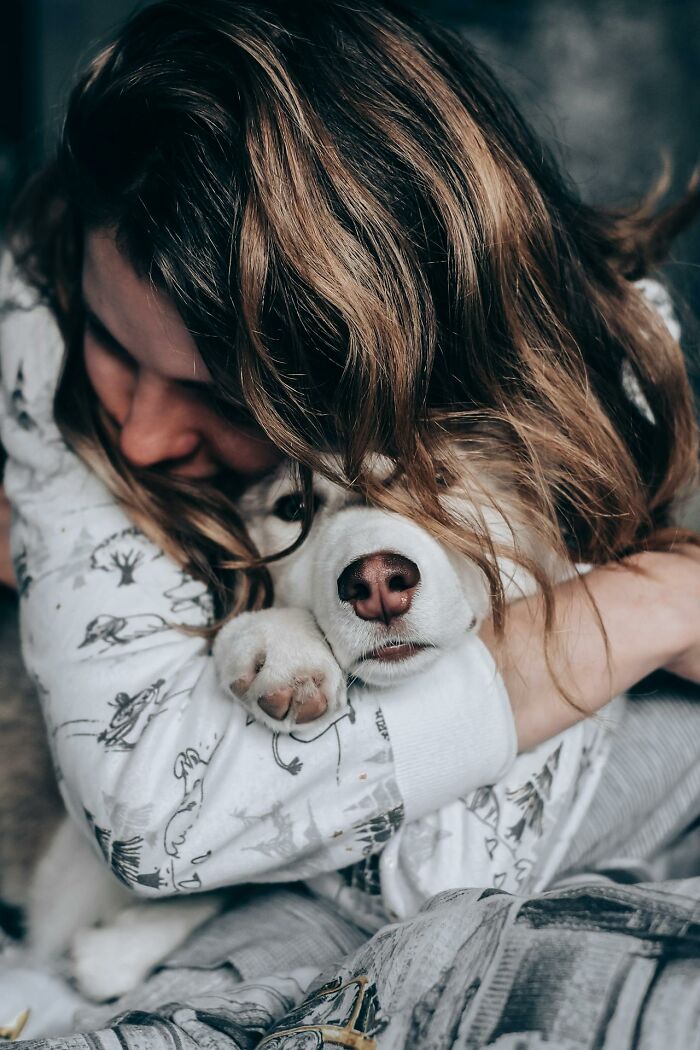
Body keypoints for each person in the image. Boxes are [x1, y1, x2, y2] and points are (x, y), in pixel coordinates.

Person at [1, 0, 700, 1025]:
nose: (143, 439)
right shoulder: (40, 318)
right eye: (115, 346)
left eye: (221, 397)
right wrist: (648, 605)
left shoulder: (601, 366)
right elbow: (161, 814)